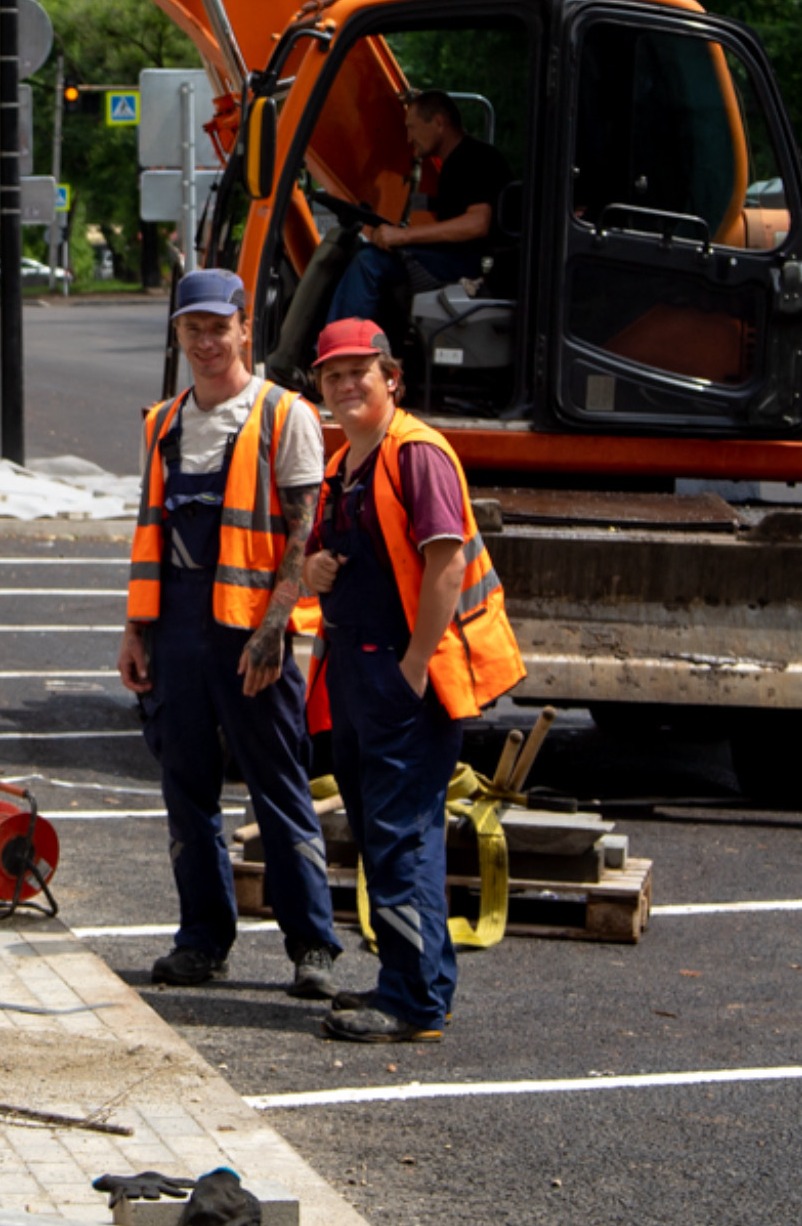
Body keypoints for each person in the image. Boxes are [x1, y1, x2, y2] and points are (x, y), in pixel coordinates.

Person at [115, 269, 350, 999]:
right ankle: (202, 941)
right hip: (177, 627)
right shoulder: (164, 423)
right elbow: (150, 531)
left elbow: (302, 534)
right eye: (194, 328)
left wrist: (274, 630)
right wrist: (135, 629)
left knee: (278, 788)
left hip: (254, 631)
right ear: (179, 334)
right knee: (186, 790)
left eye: (221, 326)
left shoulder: (286, 417)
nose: (209, 341)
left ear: (247, 328)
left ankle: (313, 945)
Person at [292, 317, 527, 1042]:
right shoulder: (345, 465)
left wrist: (414, 665)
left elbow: (446, 564)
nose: (345, 384)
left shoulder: (417, 454)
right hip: (362, 672)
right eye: (333, 376)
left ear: (390, 376)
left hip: (405, 675)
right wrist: (314, 569)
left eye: (359, 371)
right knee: (387, 833)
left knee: (400, 837)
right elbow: (335, 558)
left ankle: (415, 1001)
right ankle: (410, 981)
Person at [330, 90, 507, 336]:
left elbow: (477, 223)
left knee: (369, 262)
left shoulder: (475, 159)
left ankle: (341, 348)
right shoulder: (454, 163)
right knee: (370, 253)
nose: (409, 138)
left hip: (473, 264)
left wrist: (403, 237)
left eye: (412, 128)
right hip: (458, 259)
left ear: (438, 123)